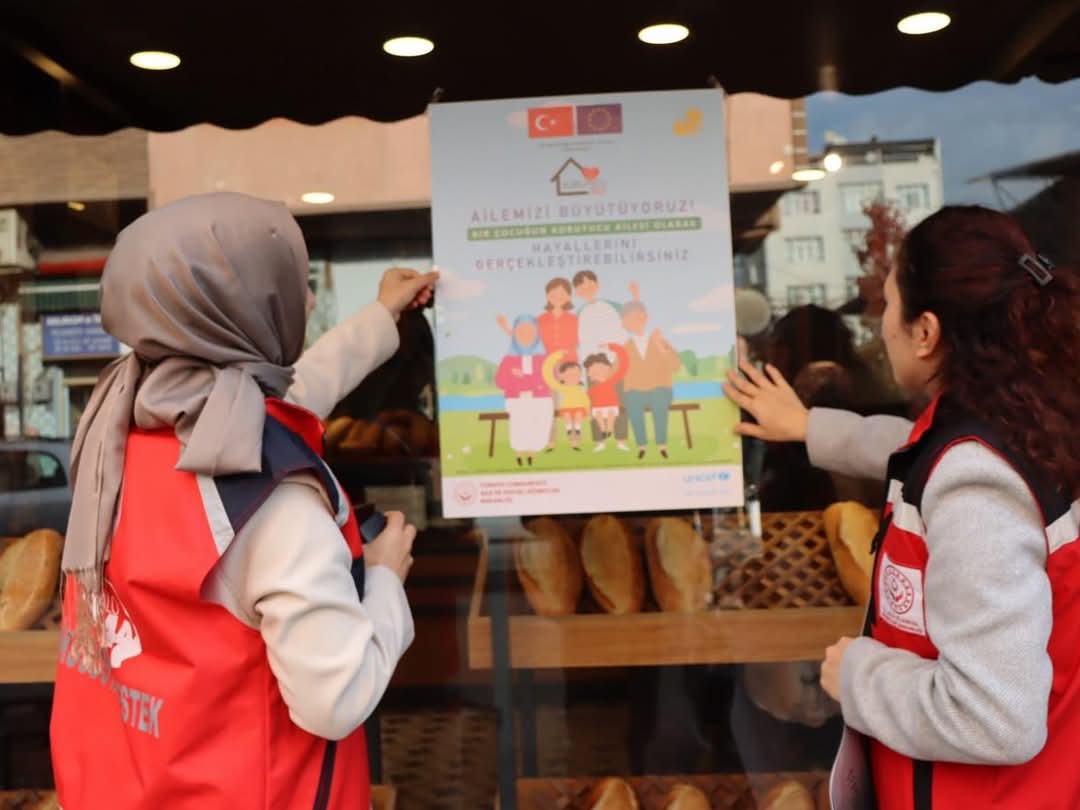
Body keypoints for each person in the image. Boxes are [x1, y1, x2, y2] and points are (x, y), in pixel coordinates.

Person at [50, 192, 438, 810]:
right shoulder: (272, 499)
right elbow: (335, 699)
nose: (305, 298)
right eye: (286, 282)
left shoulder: (121, 435)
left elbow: (289, 396)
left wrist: (381, 316)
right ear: (237, 309)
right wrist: (386, 582)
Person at [725, 205, 1080, 810]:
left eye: (888, 306)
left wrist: (858, 675)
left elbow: (994, 718)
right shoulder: (1024, 423)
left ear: (925, 332)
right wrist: (808, 427)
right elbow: (912, 450)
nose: (879, 326)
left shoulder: (976, 483)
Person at [574, 270, 637, 443]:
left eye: (590, 283)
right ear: (577, 291)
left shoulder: (613, 306)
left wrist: (635, 296)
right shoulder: (580, 314)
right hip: (592, 364)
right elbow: (578, 341)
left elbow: (631, 320)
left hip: (616, 359)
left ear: (597, 285)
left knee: (620, 400)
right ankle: (599, 440)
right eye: (581, 285)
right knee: (596, 402)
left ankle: (621, 438)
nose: (586, 287)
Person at [621, 301, 681, 460]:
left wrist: (660, 347)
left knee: (659, 403)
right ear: (625, 323)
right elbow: (617, 370)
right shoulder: (626, 346)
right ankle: (641, 445)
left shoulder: (659, 340)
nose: (634, 322)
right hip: (635, 389)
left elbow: (675, 365)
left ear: (645, 317)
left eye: (637, 317)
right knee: (632, 405)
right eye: (629, 319)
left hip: (659, 387)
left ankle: (662, 444)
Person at [494, 315, 553, 466]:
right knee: (520, 424)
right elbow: (500, 381)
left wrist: (527, 379)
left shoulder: (543, 358)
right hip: (517, 400)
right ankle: (519, 452)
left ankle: (533, 452)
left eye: (530, 331)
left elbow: (549, 379)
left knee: (539, 422)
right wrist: (516, 379)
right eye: (521, 331)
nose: (526, 335)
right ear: (515, 334)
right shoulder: (509, 359)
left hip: (540, 399)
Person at [584, 342, 630, 452]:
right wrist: (588, 412)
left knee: (612, 414)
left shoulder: (613, 380)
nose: (598, 373)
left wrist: (612, 347)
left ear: (609, 369)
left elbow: (624, 361)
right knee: (598, 416)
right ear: (589, 374)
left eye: (601, 369)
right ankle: (601, 440)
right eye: (593, 371)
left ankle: (617, 438)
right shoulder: (592, 388)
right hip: (598, 408)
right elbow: (586, 400)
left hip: (611, 407)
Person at [541, 350, 590, 450]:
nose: (573, 377)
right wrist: (553, 358)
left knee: (578, 416)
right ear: (561, 376)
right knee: (568, 417)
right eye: (569, 375)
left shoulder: (580, 389)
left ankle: (576, 433)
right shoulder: (563, 388)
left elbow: (585, 399)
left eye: (576, 375)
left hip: (579, 408)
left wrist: (588, 409)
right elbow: (548, 376)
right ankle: (570, 431)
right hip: (567, 408)